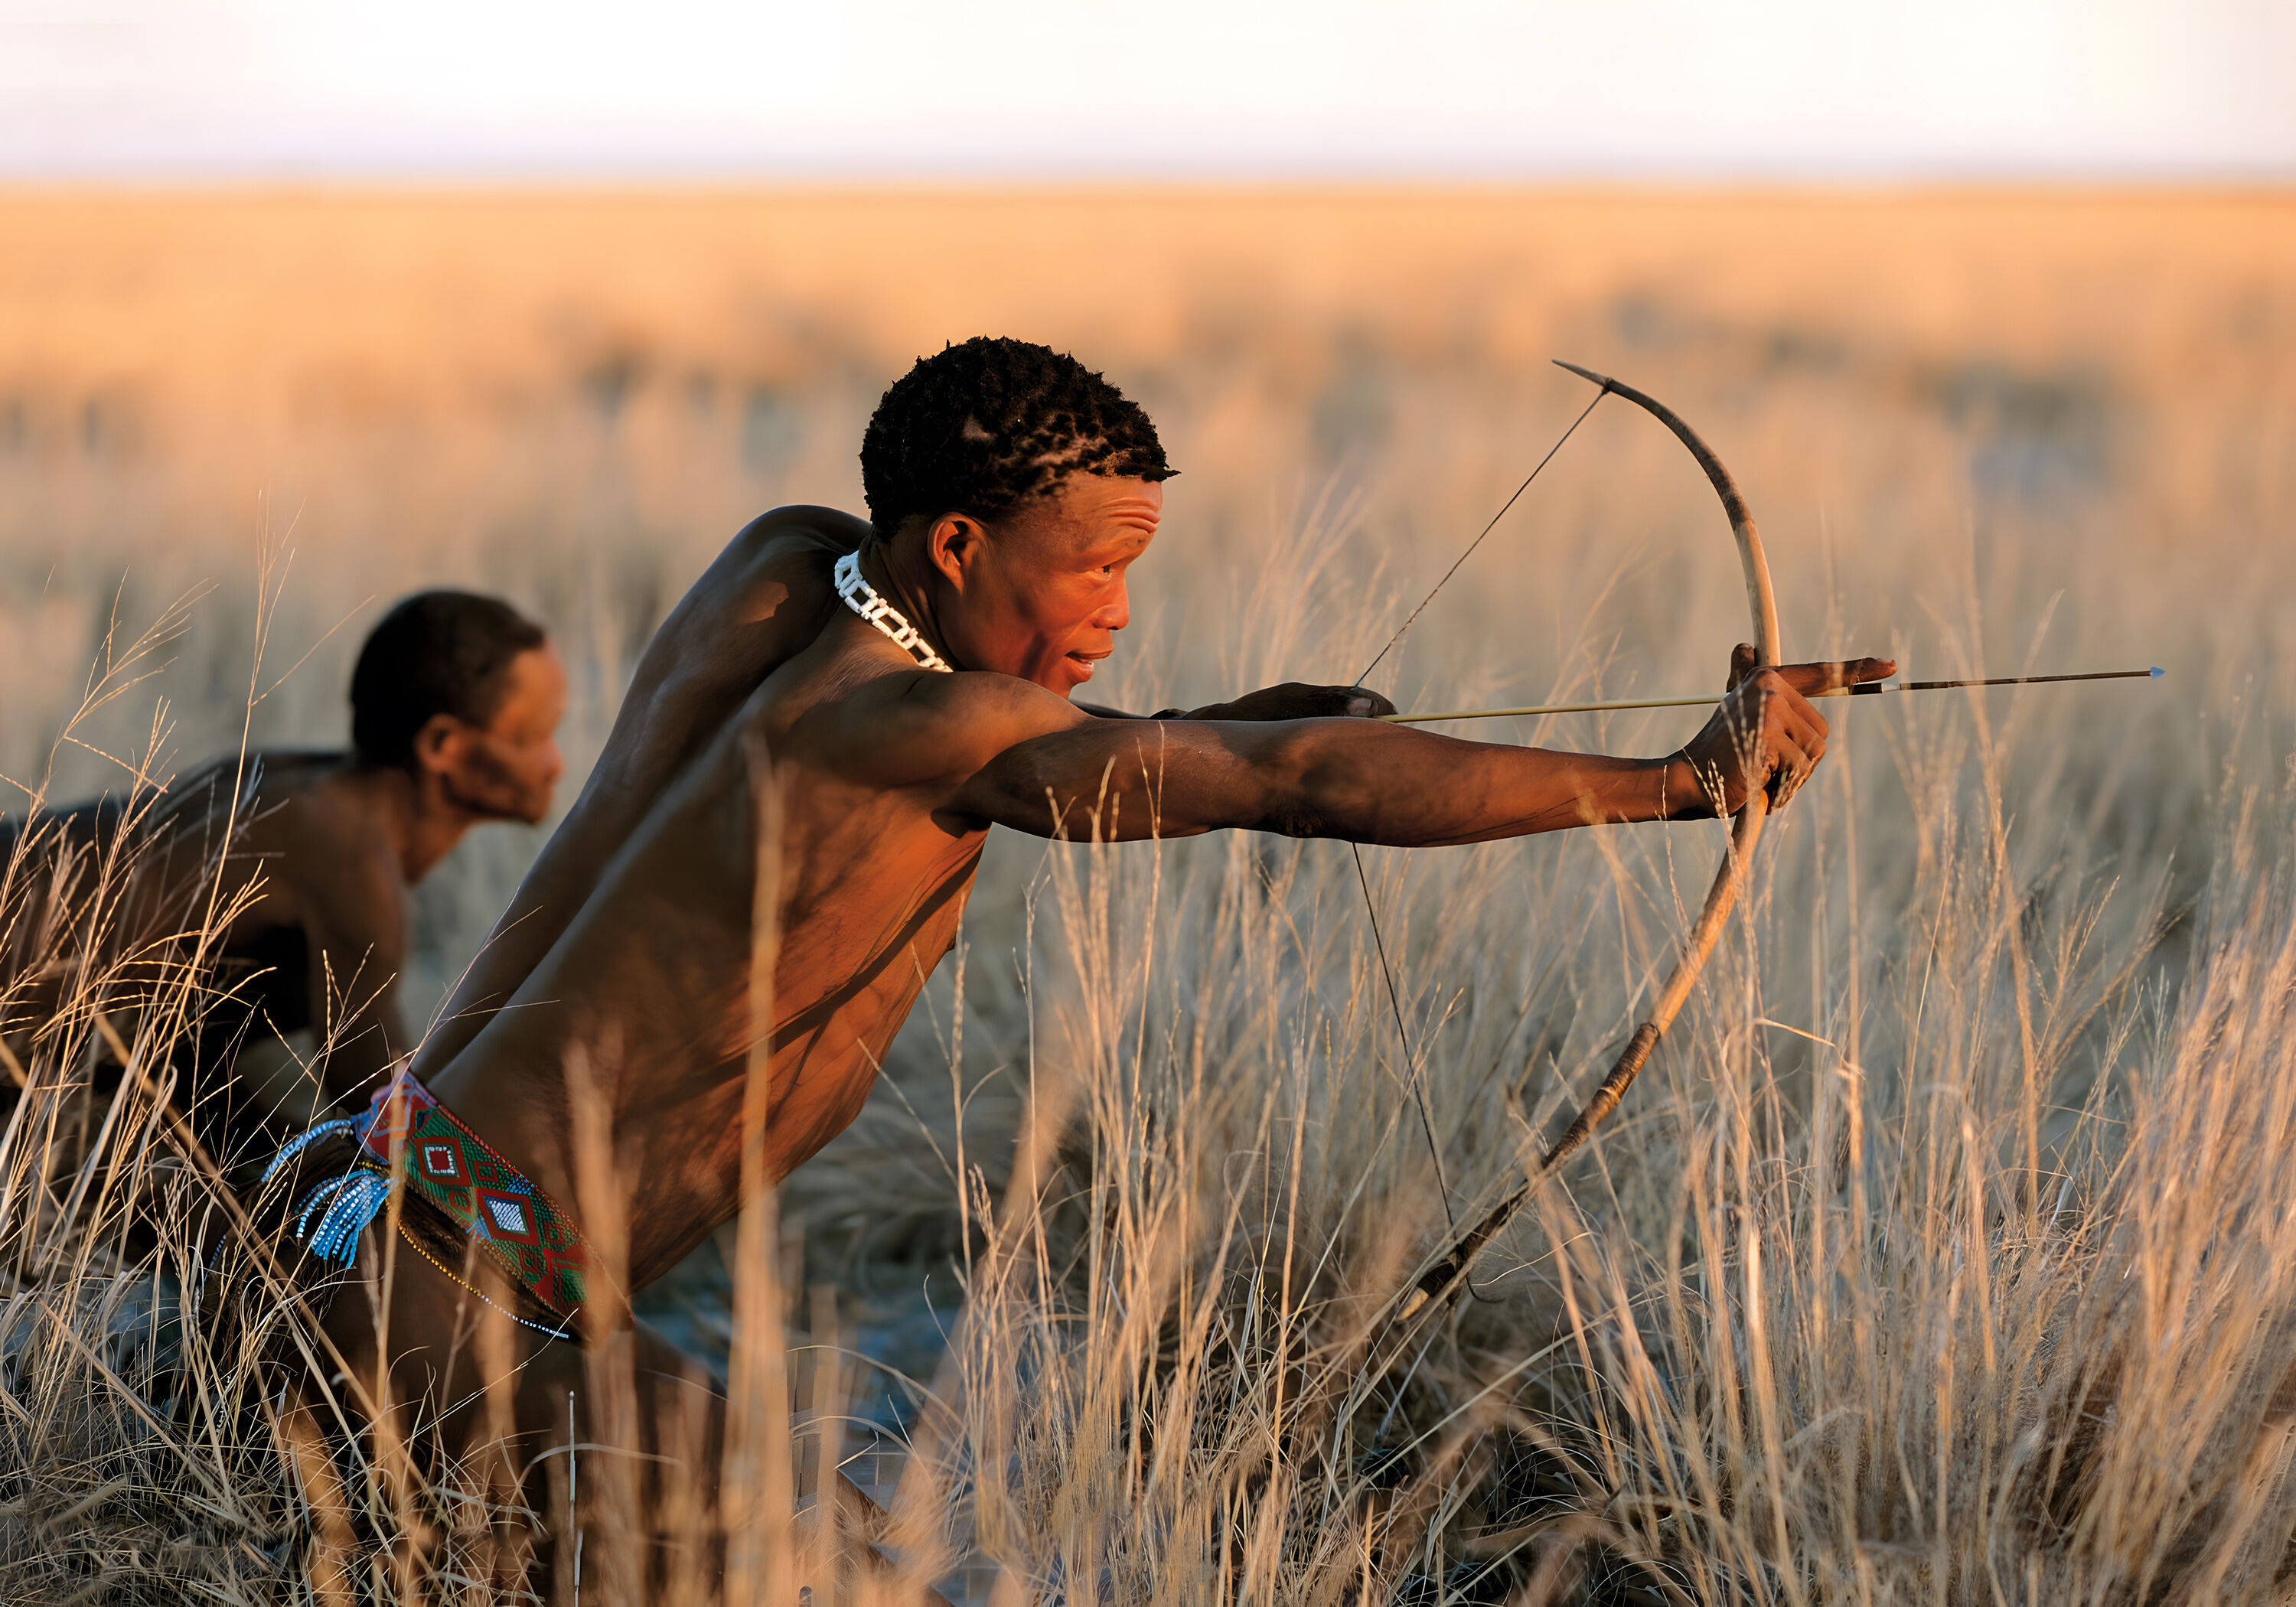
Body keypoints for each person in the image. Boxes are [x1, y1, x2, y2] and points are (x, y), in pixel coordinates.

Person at [272, 337, 1892, 1592]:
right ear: (959, 545)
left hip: (360, 1213)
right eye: (1092, 568)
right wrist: (1679, 784)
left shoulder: (779, 576)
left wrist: (1227, 725)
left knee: (846, 1556)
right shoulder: (925, 729)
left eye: (1136, 563)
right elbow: (1299, 791)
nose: (1119, 608)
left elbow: (1081, 741)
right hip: (449, 1306)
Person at [4, 590, 567, 1162]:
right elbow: (391, 1121)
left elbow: (181, 1056)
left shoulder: (290, 787)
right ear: (442, 745)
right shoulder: (347, 855)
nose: (557, 764)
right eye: (532, 738)